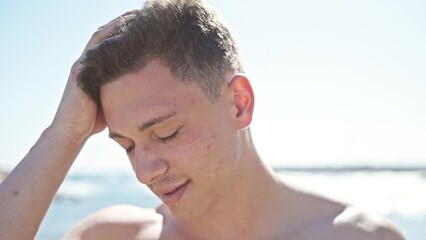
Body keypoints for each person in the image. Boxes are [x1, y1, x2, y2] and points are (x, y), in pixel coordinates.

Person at [0, 0, 405, 239]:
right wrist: (64, 136)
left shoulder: (353, 236)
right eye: (126, 145)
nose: (144, 171)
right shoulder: (111, 235)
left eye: (166, 133)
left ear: (239, 103)